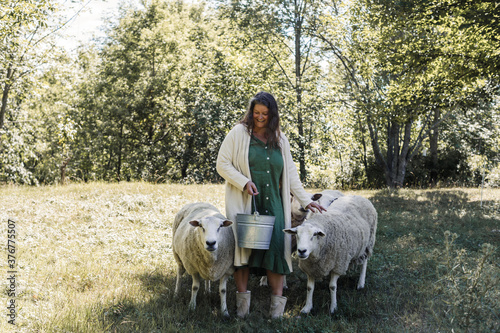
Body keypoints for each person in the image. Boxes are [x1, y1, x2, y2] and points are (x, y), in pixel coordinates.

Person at [216, 91, 326, 319]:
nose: (260, 117)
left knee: (277, 247)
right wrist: (244, 181)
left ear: (272, 114)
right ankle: (242, 310)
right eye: (256, 112)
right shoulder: (238, 133)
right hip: (247, 202)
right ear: (250, 112)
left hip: (275, 203)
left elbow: (291, 174)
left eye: (265, 113)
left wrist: (306, 200)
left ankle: (276, 314)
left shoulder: (280, 138)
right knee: (244, 251)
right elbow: (222, 163)